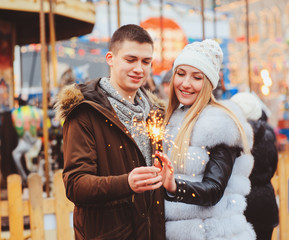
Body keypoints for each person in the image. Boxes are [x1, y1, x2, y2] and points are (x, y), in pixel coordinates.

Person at [55, 24, 166, 240]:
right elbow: (76, 184)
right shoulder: (86, 112)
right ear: (110, 59)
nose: (139, 69)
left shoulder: (155, 114)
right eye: (130, 59)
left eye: (146, 62)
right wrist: (126, 183)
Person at [154, 39, 256, 240]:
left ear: (208, 82)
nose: (185, 84)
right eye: (180, 74)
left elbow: (214, 190)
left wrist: (175, 186)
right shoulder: (170, 119)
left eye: (197, 77)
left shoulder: (219, 123)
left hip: (212, 234)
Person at [231, 92, 279, 240]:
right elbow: (273, 165)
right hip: (265, 202)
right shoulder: (269, 135)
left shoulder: (232, 136)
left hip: (239, 203)